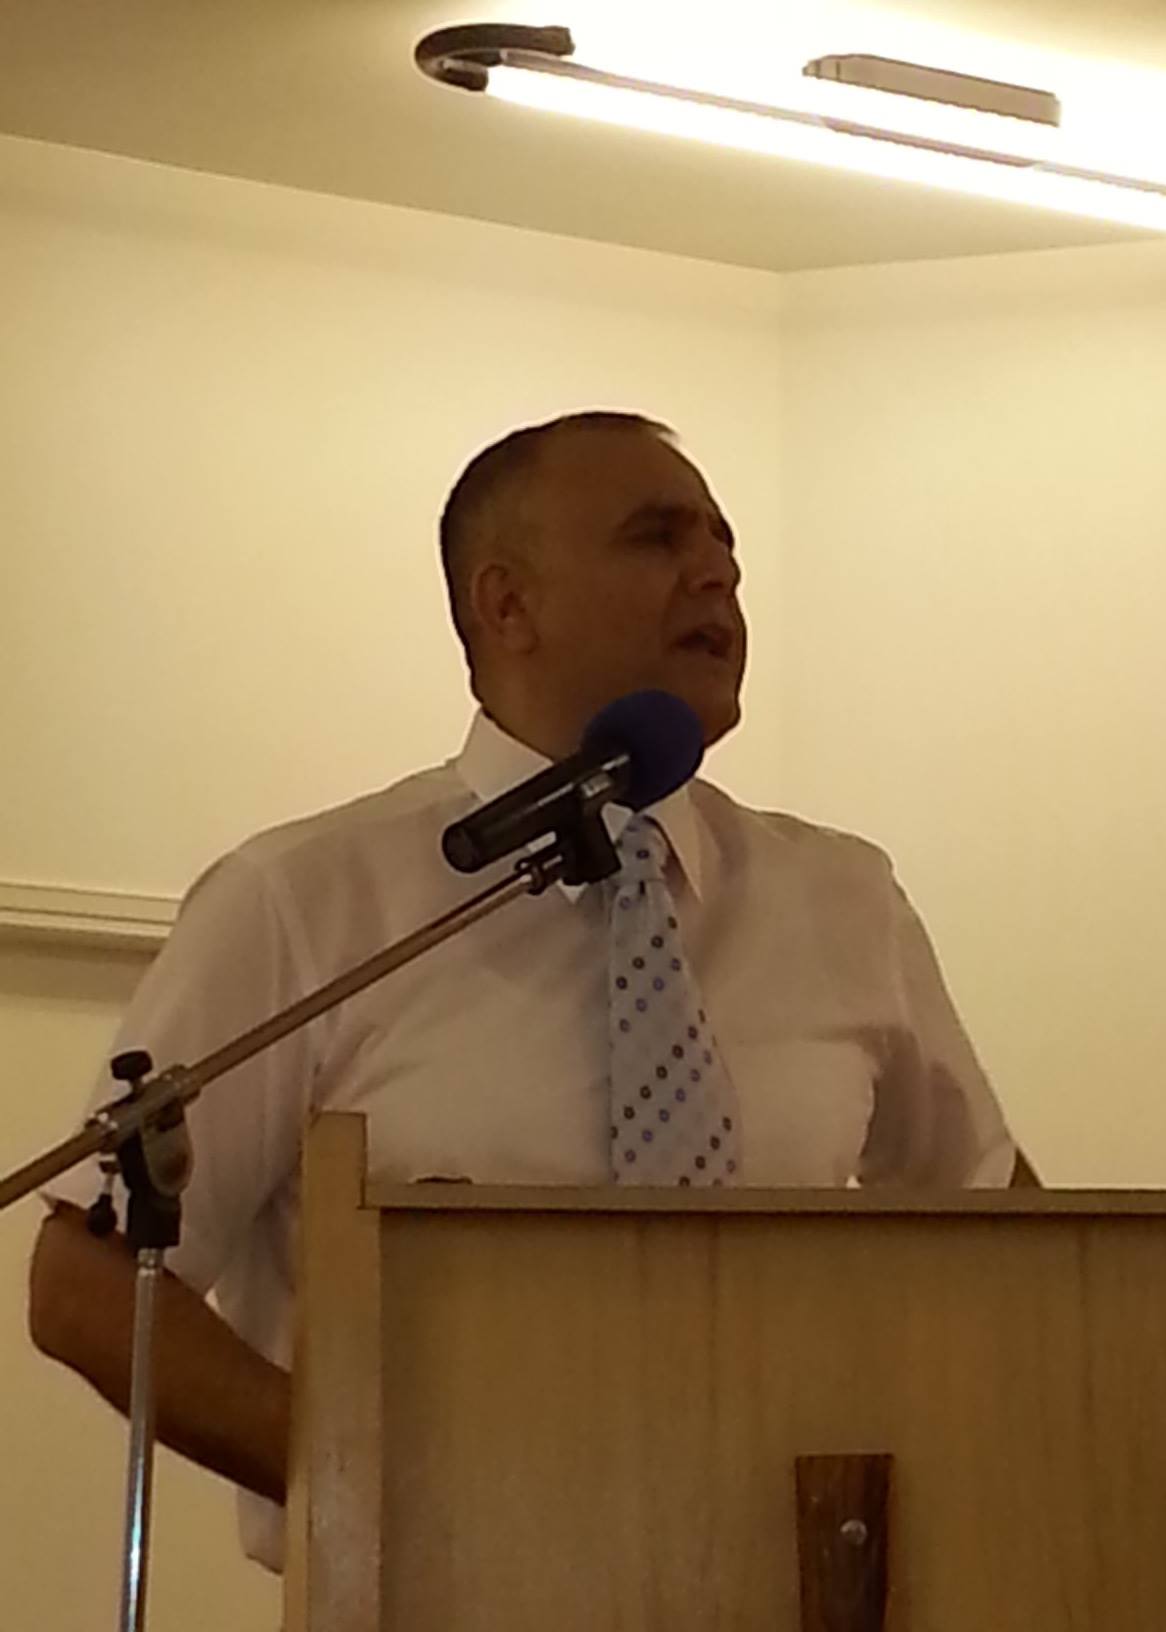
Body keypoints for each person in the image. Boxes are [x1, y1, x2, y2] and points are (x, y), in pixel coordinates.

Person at [29, 409, 1034, 1573]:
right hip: (434, 1590)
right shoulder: (307, 902)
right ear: (508, 606)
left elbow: (1010, 1241)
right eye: (657, 538)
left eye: (724, 545)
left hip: (796, 1579)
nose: (717, 573)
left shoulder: (843, 901)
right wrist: (369, 1481)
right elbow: (87, 1283)